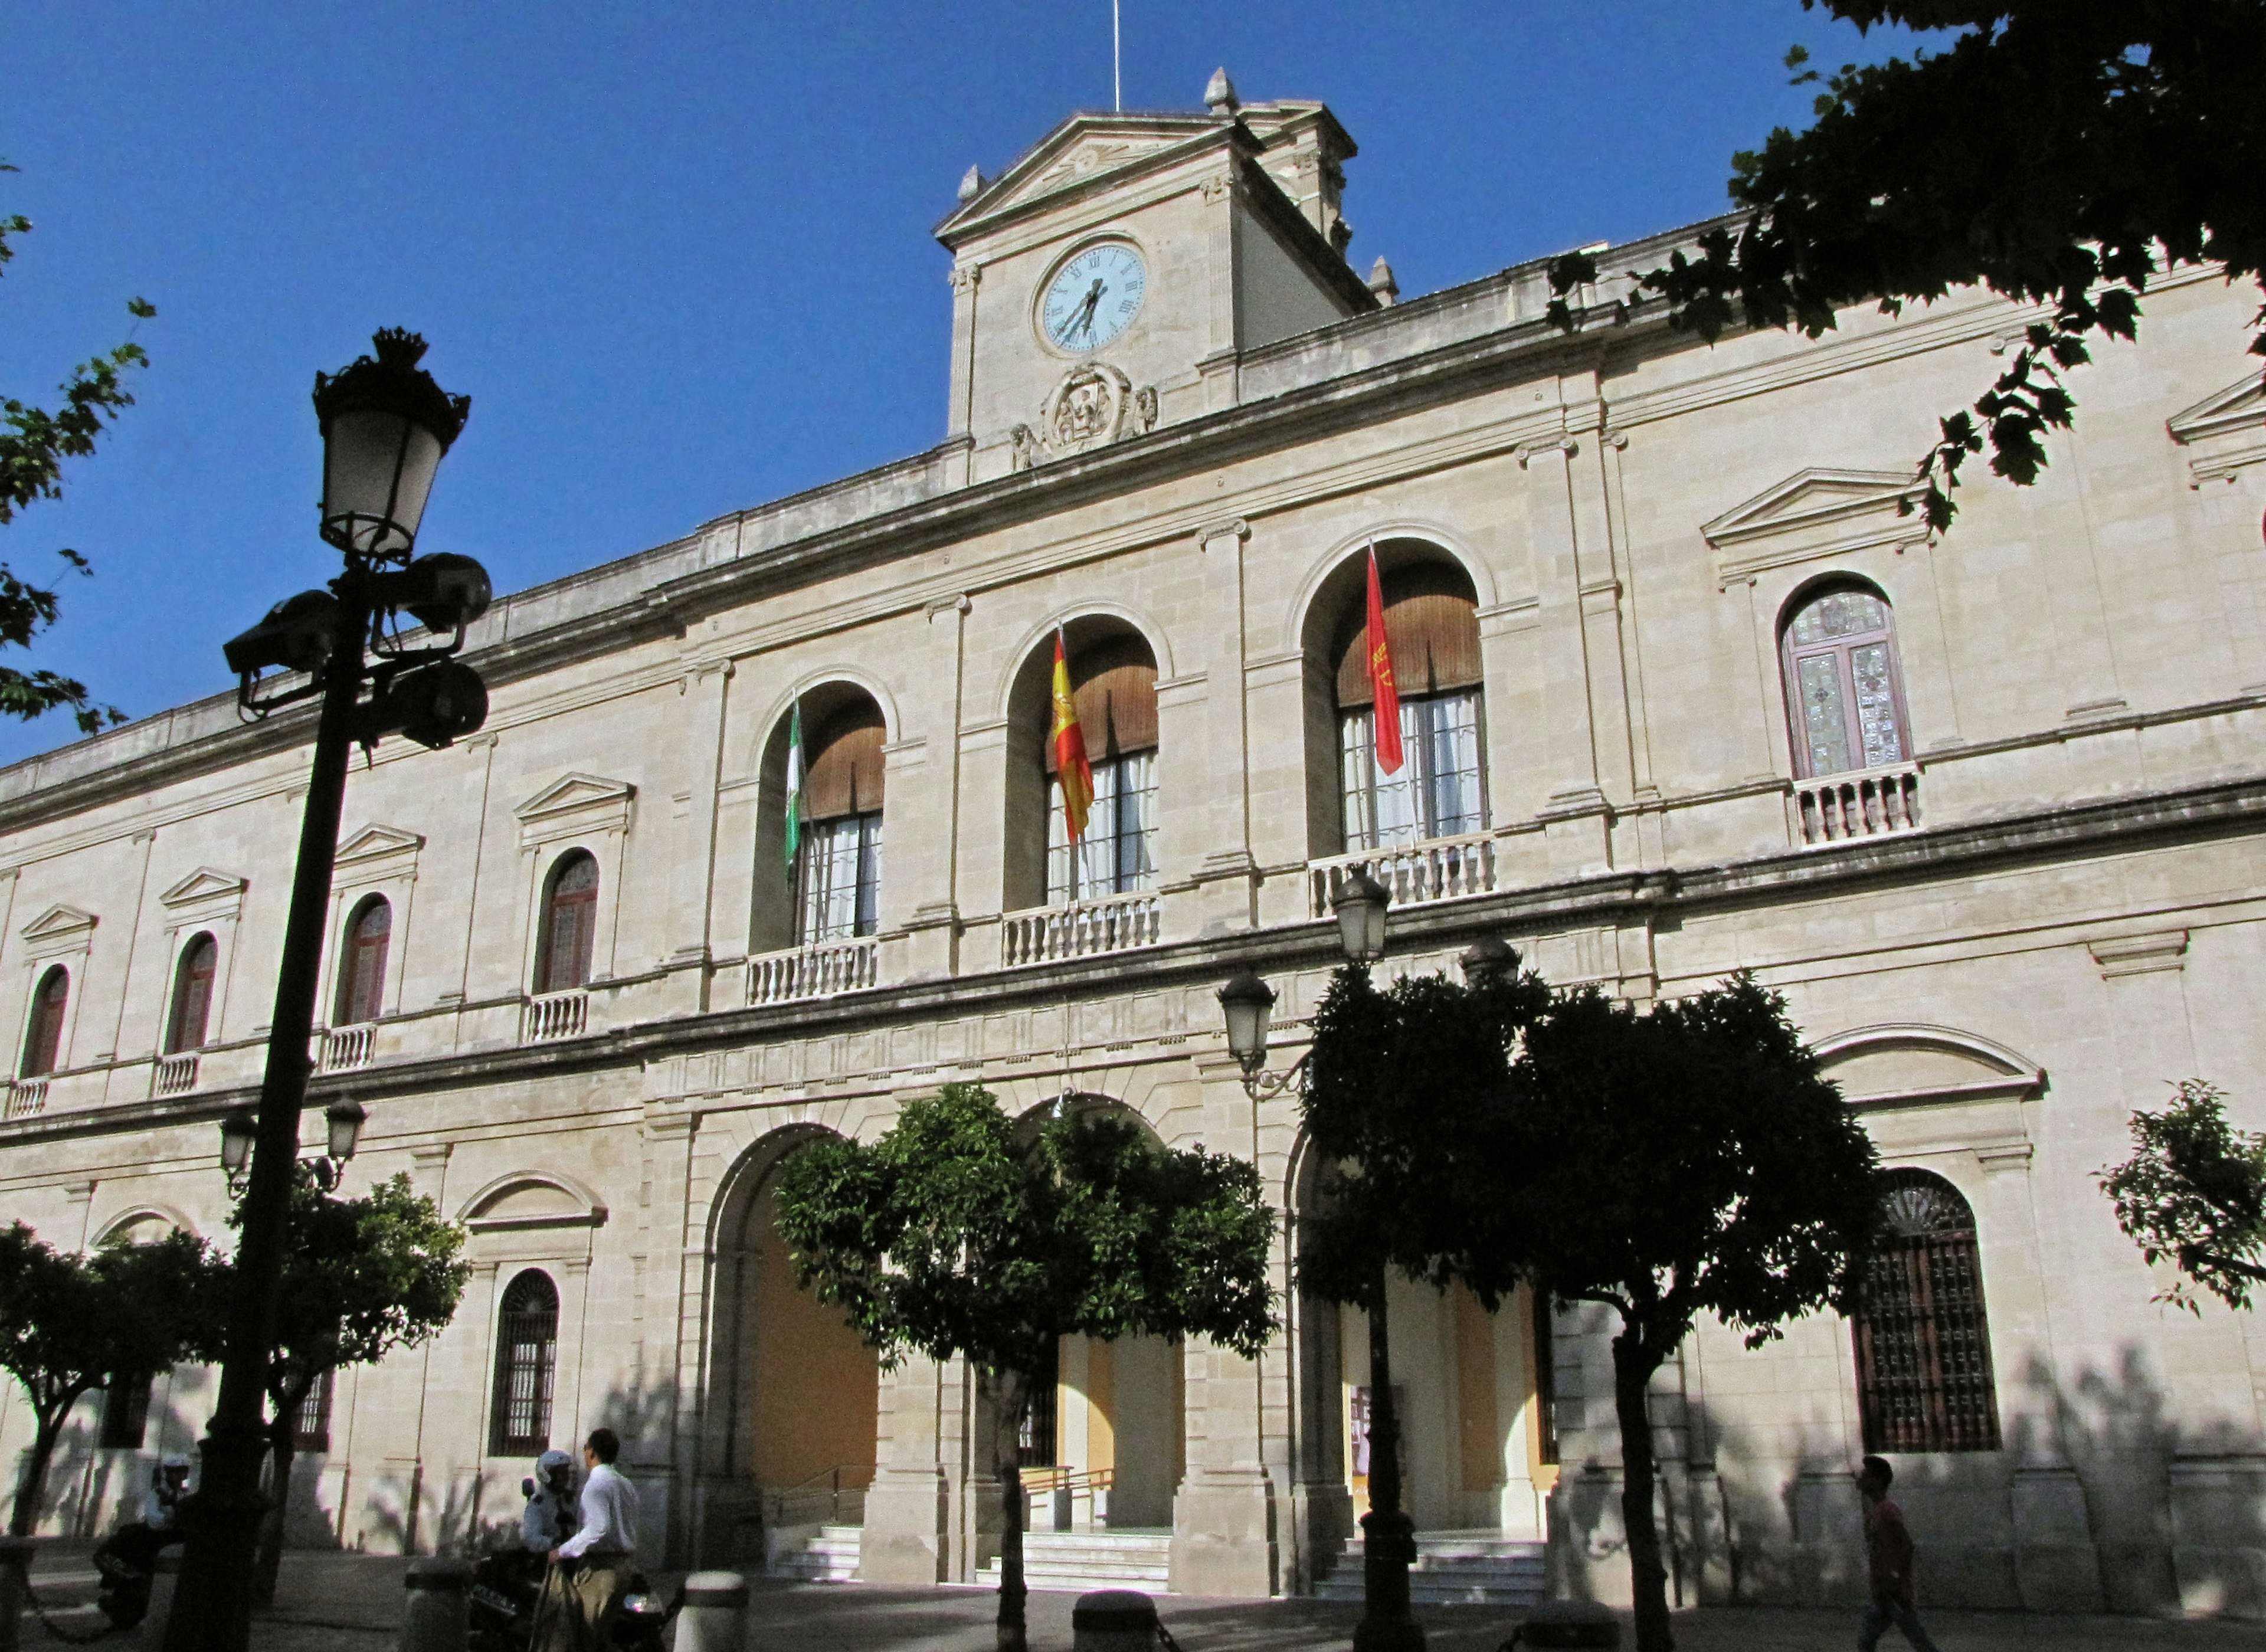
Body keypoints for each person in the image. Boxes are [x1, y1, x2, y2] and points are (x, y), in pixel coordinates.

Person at [540, 1427, 640, 1652]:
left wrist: (562, 1552)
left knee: (584, 1637)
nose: (584, 1453)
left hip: (600, 1569)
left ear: (592, 1452)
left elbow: (598, 1528)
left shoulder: (595, 1486)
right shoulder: (626, 1485)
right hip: (624, 1567)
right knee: (601, 1636)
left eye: (586, 1448)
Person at [1858, 1454, 1943, 1651]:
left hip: (1894, 1592)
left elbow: (1907, 1546)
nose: (1861, 1478)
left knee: (1916, 1639)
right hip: (1884, 1591)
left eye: (1866, 1475)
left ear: (1877, 1480)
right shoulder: (1876, 1511)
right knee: (1868, 1639)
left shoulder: (1888, 1510)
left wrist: (1895, 1578)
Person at [522, 1449, 579, 1551]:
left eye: (565, 1472)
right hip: (549, 1558)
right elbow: (531, 1538)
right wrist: (555, 1543)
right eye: (559, 1473)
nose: (564, 1478)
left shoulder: (571, 1500)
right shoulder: (538, 1504)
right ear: (546, 1474)